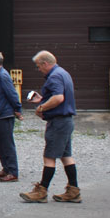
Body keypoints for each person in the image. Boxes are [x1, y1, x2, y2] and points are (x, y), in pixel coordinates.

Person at [20, 51, 81, 203]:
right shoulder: (63, 73)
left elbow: (59, 97)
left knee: (49, 156)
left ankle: (42, 191)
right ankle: (73, 190)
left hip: (58, 122)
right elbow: (58, 96)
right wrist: (43, 100)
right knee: (66, 156)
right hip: (66, 121)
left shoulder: (54, 77)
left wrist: (41, 108)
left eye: (38, 66)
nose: (38, 69)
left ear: (45, 63)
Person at [0, 50, 22, 183]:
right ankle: (6, 168)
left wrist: (17, 108)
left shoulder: (3, 75)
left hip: (5, 113)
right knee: (1, 143)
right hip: (0, 113)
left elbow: (12, 93)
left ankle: (13, 171)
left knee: (7, 143)